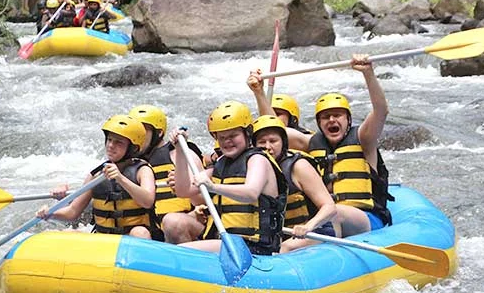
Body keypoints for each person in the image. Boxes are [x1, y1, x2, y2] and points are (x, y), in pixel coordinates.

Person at [248, 54, 392, 236]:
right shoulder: (311, 143)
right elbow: (273, 129)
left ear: (348, 119)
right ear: (318, 122)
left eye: (337, 115)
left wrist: (368, 73)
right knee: (328, 214)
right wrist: (259, 93)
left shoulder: (365, 139)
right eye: (325, 117)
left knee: (334, 213)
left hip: (366, 218)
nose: (331, 120)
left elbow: (381, 110)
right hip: (327, 218)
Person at [164, 101, 287, 254]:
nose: (227, 141)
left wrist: (213, 187)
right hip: (227, 243)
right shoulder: (221, 165)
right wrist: (180, 150)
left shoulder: (258, 159)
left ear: (247, 133)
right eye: (222, 137)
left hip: (255, 246)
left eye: (233, 135)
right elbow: (184, 191)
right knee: (172, 223)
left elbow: (251, 193)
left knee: (183, 252)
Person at [38, 115, 156, 238]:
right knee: (65, 234)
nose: (110, 145)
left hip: (132, 240)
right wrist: (49, 213)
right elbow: (73, 211)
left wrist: (120, 178)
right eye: (109, 140)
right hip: (103, 238)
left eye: (118, 142)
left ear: (133, 148)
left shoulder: (142, 170)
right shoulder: (96, 175)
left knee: (140, 232)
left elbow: (147, 201)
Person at [251, 115, 337, 252]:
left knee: (284, 248)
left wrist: (308, 227)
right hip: (279, 236)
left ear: (283, 143)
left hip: (313, 232)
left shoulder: (299, 166)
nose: (268, 147)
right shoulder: (253, 169)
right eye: (262, 142)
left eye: (273, 141)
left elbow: (329, 207)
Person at [129, 104, 201, 241]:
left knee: (172, 222)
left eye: (143, 132)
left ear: (159, 133)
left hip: (183, 229)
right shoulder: (127, 163)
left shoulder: (182, 154)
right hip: (149, 233)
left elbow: (204, 199)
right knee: (137, 232)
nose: (136, 137)